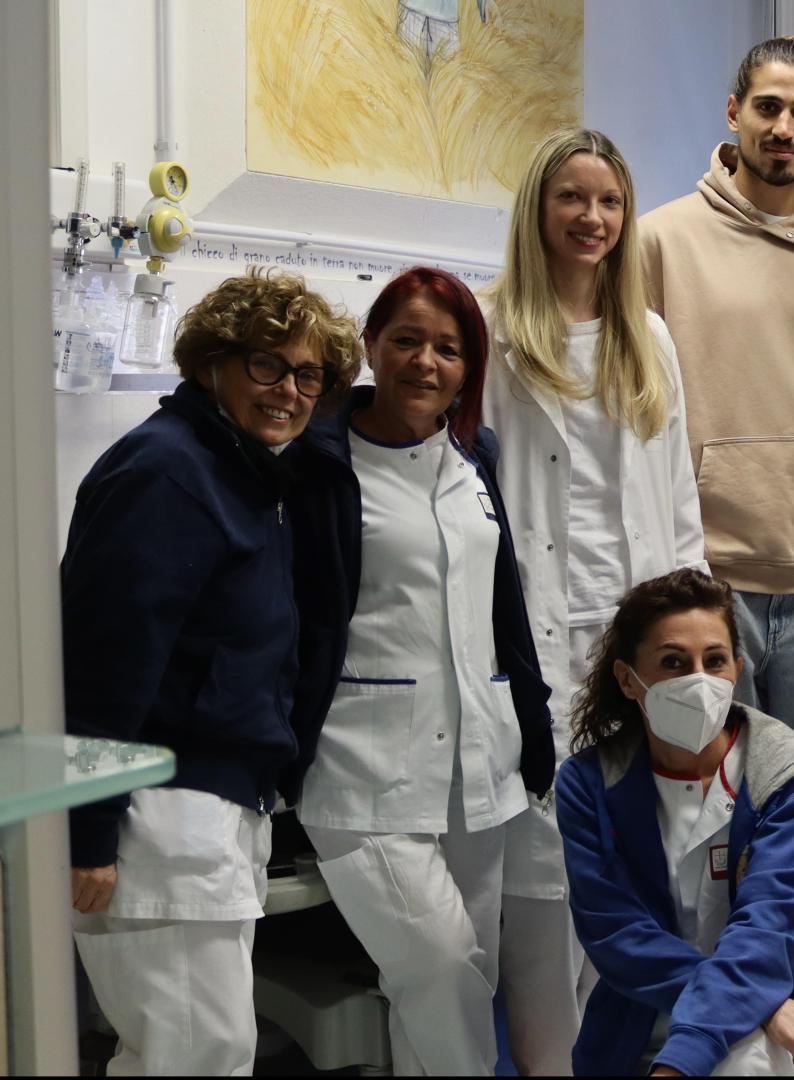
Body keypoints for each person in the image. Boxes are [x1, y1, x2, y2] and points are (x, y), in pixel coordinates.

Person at [630, 36, 794, 1069]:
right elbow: (633, 407)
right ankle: (705, 1003)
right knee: (696, 806)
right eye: (768, 108)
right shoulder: (661, 241)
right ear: (736, 110)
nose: (783, 128)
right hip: (706, 585)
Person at [63, 268, 361, 1075]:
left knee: (200, 1051)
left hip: (209, 811)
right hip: (158, 815)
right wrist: (88, 829)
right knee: (194, 1055)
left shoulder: (241, 474)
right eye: (267, 365)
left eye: (308, 375)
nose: (289, 391)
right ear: (210, 365)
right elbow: (103, 662)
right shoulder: (169, 472)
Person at [287, 267, 553, 1075]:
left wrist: (532, 724)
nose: (425, 362)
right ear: (371, 346)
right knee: (437, 967)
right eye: (406, 340)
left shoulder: (476, 457)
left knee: (460, 969)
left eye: (448, 348)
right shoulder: (316, 464)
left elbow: (505, 606)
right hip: (360, 770)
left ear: (470, 367)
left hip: (479, 765)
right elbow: (294, 618)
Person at [482, 126, 708, 1075]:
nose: (592, 218)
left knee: (631, 868)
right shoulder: (491, 332)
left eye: (609, 201)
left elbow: (679, 495)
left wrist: (698, 636)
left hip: (634, 641)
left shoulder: (645, 335)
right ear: (538, 208)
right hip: (532, 642)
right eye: (572, 198)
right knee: (546, 881)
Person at [558, 569, 794, 1077]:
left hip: (767, 1012)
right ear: (626, 679)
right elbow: (615, 935)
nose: (698, 680)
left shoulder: (787, 775)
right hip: (653, 1014)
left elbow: (769, 932)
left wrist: (681, 1063)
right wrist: (765, 1005)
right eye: (673, 662)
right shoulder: (589, 784)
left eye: (715, 661)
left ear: (737, 669)